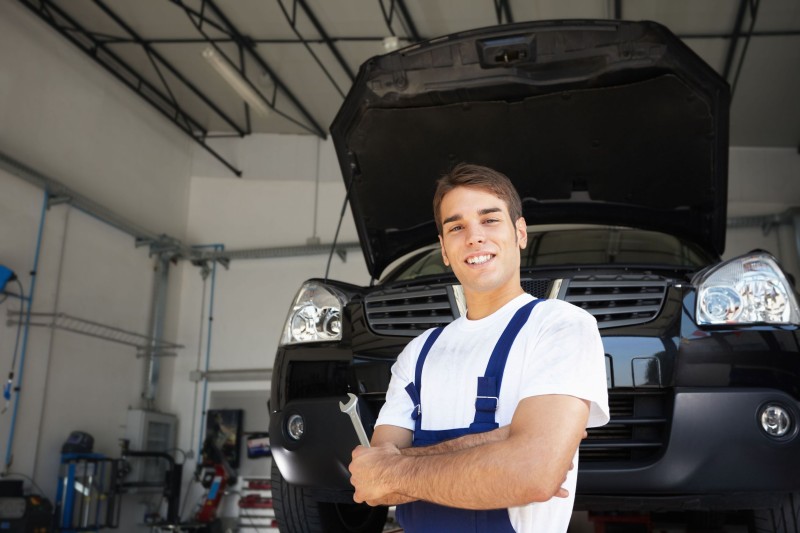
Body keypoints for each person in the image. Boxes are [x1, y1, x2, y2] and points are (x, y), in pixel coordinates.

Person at [348, 163, 610, 532]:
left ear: (520, 232)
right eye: (456, 227)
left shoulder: (560, 325)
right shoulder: (420, 352)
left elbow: (532, 475)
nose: (474, 237)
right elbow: (373, 485)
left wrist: (399, 467)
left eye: (489, 220)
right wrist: (502, 440)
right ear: (443, 248)